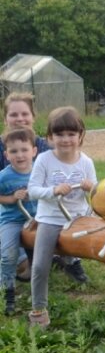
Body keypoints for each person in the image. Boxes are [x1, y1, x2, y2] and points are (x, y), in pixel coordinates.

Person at [26, 106, 97, 328]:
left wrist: (90, 187)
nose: (65, 140)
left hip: (80, 217)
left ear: (80, 136)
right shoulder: (45, 160)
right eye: (59, 134)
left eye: (71, 134)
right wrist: (53, 191)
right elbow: (33, 190)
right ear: (49, 138)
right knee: (39, 266)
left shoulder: (86, 161)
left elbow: (97, 193)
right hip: (51, 218)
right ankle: (39, 309)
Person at [0, 92, 52, 281]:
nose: (19, 119)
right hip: (7, 209)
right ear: (5, 118)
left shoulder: (44, 147)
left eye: (24, 114)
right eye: (13, 114)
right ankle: (20, 259)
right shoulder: (1, 147)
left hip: (39, 206)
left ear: (33, 116)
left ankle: (62, 257)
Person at [0, 128, 38, 315]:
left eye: (24, 150)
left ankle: (40, 289)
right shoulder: (4, 176)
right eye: (14, 151)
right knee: (8, 255)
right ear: (6, 155)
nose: (20, 155)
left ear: (34, 151)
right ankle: (8, 289)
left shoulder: (40, 171)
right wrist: (12, 198)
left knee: (42, 254)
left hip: (37, 218)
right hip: (12, 220)